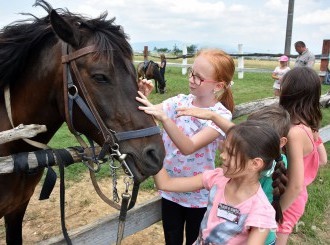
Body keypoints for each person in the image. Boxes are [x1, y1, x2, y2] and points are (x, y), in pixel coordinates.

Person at [136, 48, 235, 245]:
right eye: (192, 72)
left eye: (198, 77)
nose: (191, 79)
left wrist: (164, 119)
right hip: (170, 190)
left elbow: (188, 147)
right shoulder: (180, 100)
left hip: (197, 195)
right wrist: (142, 95)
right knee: (171, 239)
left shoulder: (220, 115)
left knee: (194, 240)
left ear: (218, 85)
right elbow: (150, 111)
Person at [153, 120, 284, 244]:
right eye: (224, 150)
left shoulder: (260, 211)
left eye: (231, 153)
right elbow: (165, 184)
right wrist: (153, 154)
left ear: (255, 164)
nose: (222, 156)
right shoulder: (217, 178)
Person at [277, 67, 327, 244]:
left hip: (288, 198)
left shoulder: (295, 133)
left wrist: (276, 212)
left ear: (289, 92)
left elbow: (296, 185)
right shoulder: (309, 125)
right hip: (294, 195)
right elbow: (322, 160)